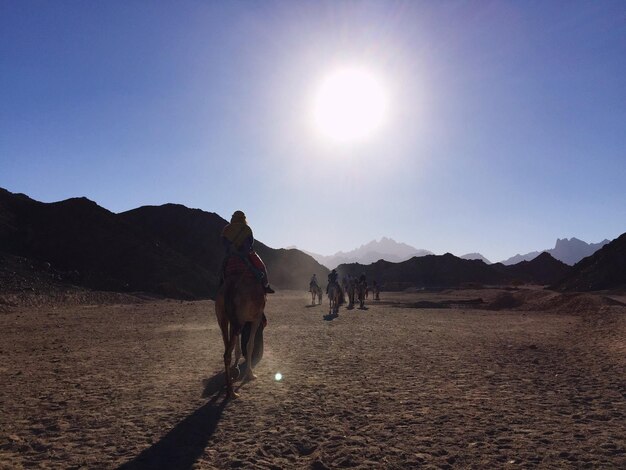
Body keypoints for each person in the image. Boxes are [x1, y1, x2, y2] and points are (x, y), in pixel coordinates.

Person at [221, 210, 275, 294]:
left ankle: (217, 291)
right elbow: (250, 243)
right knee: (262, 267)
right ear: (243, 219)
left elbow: (224, 243)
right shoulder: (246, 229)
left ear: (233, 218)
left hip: (231, 255)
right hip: (246, 255)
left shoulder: (227, 229)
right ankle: (266, 286)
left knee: (221, 271)